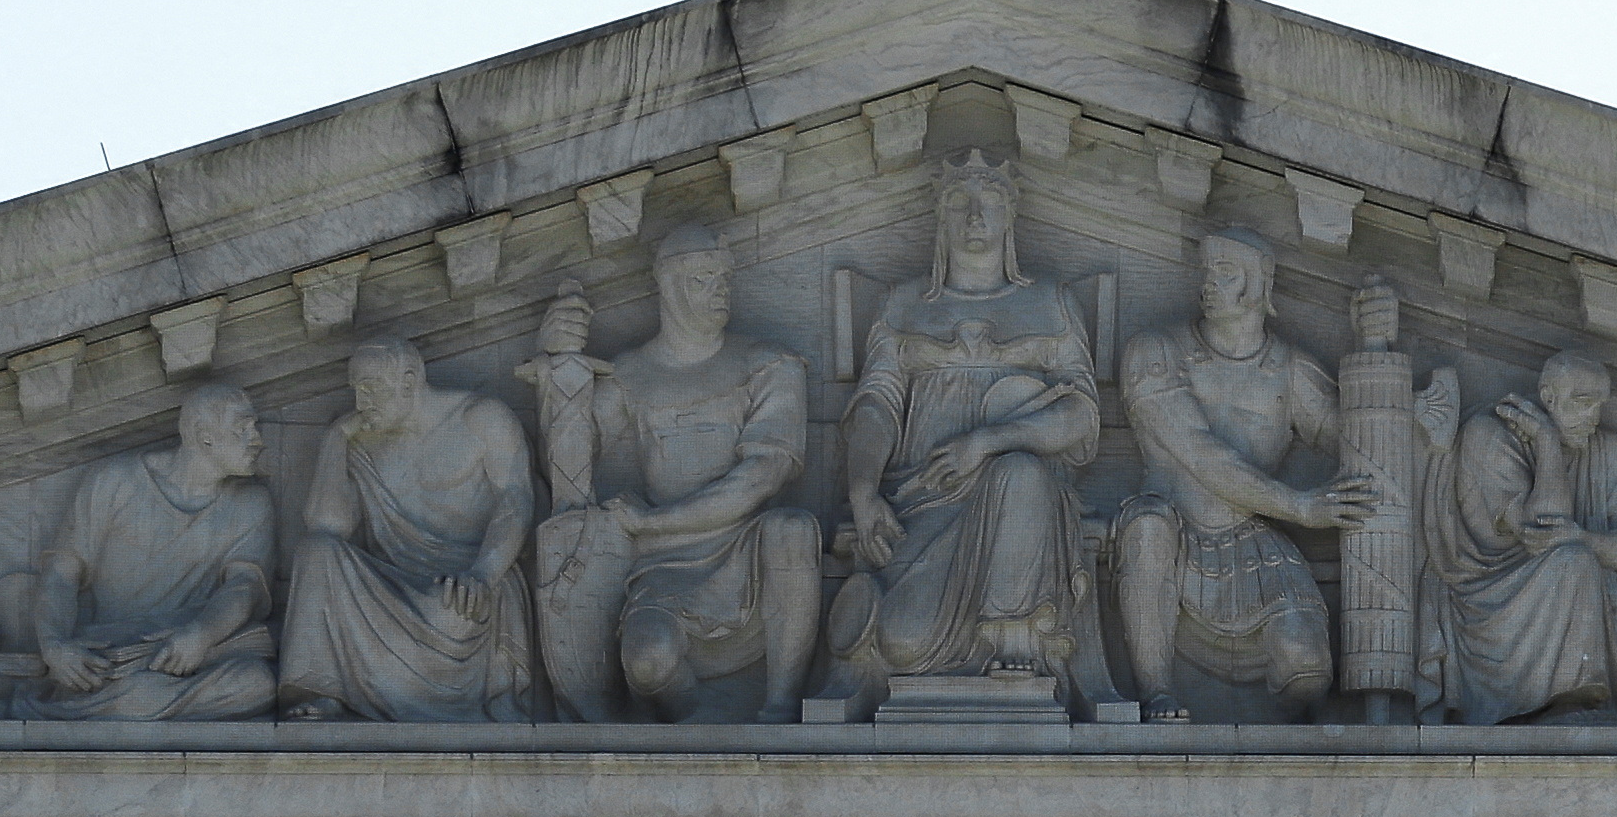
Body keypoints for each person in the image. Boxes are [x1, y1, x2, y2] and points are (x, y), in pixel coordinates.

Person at [828, 146, 1100, 696]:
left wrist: (988, 442)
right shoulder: (901, 305)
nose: (975, 217)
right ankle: (883, 616)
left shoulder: (1053, 302)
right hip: (923, 502)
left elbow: (1081, 416)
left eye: (990, 201)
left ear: (1011, 216)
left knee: (1020, 473)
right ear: (940, 217)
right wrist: (861, 490)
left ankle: (1015, 635)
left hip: (1025, 514)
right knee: (904, 643)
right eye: (959, 203)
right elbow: (876, 407)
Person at [525, 232, 822, 721]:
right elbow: (568, 466)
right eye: (702, 279)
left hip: (747, 549)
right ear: (666, 287)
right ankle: (696, 719)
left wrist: (653, 522)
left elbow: (763, 476)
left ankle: (781, 705)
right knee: (646, 662)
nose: (720, 290)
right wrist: (560, 365)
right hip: (664, 567)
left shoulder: (769, 363)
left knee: (791, 528)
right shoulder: (629, 375)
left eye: (723, 277)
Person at [1108, 225, 1383, 718]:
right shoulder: (1155, 351)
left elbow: (1359, 440)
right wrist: (1300, 506)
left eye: (1226, 271)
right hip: (1169, 529)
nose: (1208, 283)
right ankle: (1156, 691)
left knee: (1307, 665)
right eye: (1206, 271)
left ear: (1261, 284)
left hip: (1248, 539)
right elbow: (1199, 451)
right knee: (1146, 528)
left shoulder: (1289, 369)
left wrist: (1379, 350)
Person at [277, 338, 541, 720]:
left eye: (371, 388)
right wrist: (335, 439)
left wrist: (483, 573)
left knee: (449, 611)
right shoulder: (363, 443)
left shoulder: (482, 417)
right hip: (392, 584)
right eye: (356, 390)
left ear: (408, 381)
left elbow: (517, 501)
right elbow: (326, 525)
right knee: (315, 551)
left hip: (466, 584)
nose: (361, 402)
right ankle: (323, 692)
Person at [1429, 350, 1617, 724]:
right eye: (1584, 403)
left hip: (1586, 580)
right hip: (1495, 596)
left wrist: (1586, 538)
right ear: (1548, 398)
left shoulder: (1606, 448)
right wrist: (1548, 444)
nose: (1595, 418)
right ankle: (1573, 701)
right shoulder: (1488, 436)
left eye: (1600, 405)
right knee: (1574, 561)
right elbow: (1543, 529)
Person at [17, 378, 281, 719]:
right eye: (243, 428)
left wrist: (200, 636)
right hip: (112, 659)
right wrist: (54, 647)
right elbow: (61, 575)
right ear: (205, 436)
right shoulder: (114, 480)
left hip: (196, 659)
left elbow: (244, 586)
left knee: (257, 682)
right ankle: (127, 701)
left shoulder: (251, 504)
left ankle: (132, 705)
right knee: (132, 692)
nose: (257, 440)